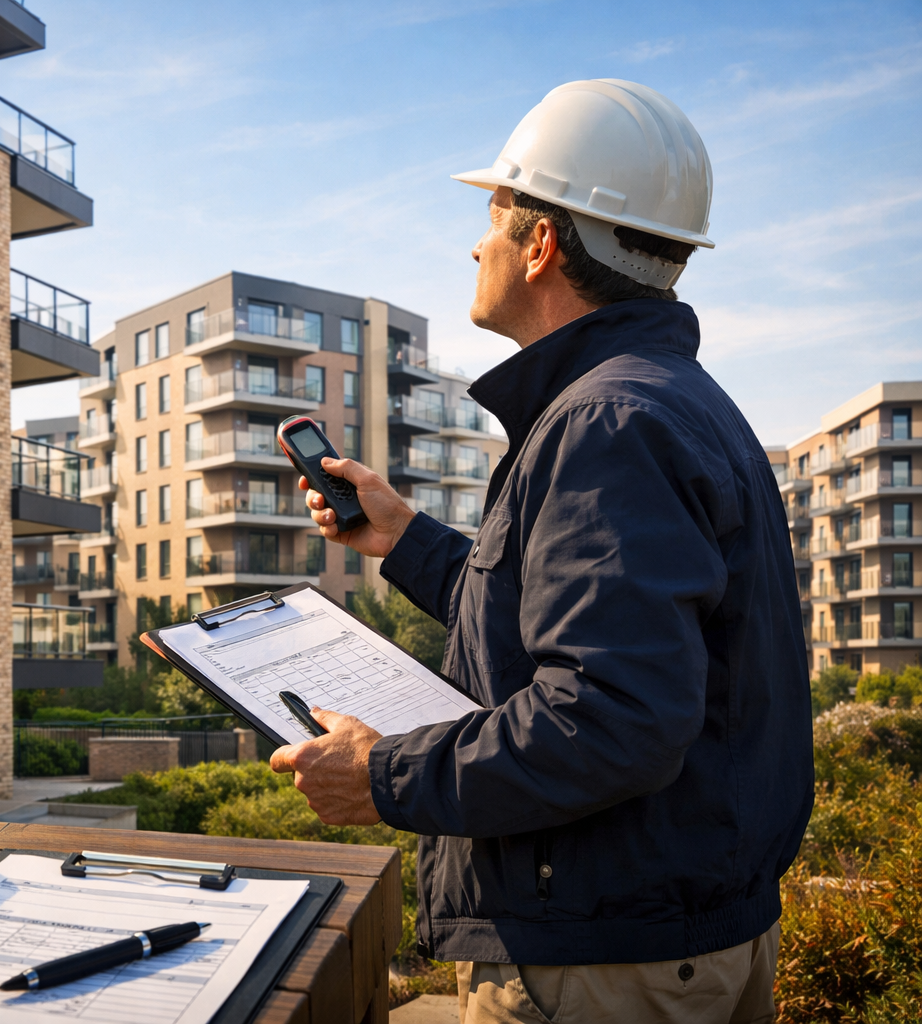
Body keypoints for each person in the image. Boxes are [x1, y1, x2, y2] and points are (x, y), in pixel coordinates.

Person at [270, 80, 811, 1024]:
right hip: (670, 934)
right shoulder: (670, 401)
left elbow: (611, 717)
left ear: (541, 244)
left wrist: (384, 774)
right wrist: (403, 539)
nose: (476, 245)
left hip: (604, 962)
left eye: (493, 217)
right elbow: (558, 621)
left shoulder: (605, 422)